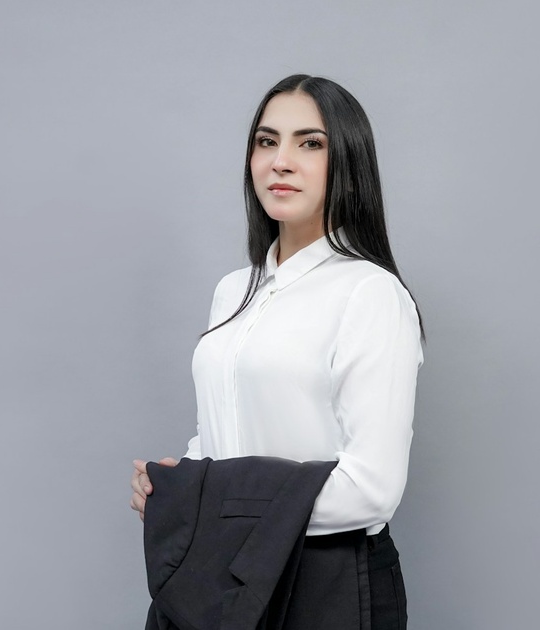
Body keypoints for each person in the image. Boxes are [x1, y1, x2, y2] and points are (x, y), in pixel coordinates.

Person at [130, 74, 423, 629]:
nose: (280, 161)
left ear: (348, 164)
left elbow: (371, 491)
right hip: (217, 577)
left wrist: (207, 508)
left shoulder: (369, 293)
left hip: (325, 582)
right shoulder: (232, 290)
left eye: (310, 143)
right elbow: (226, 434)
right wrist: (178, 480)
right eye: (267, 141)